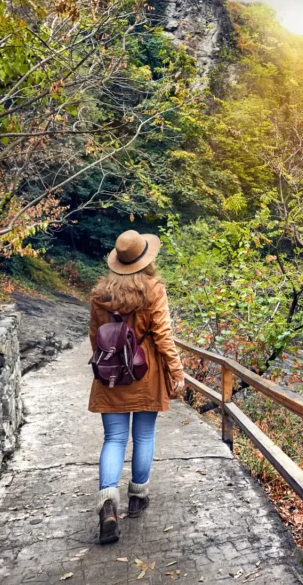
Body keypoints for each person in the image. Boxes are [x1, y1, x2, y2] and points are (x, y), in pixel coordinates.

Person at [88, 229, 186, 544]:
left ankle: (107, 505)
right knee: (143, 436)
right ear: (145, 260)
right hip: (146, 375)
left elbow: (95, 337)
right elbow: (163, 336)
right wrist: (176, 371)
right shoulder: (153, 289)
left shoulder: (99, 293)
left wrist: (107, 367)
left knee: (114, 439)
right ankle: (137, 498)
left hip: (111, 376)